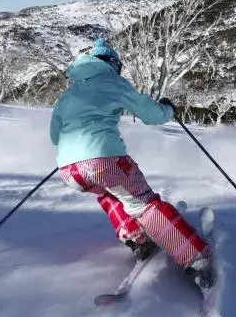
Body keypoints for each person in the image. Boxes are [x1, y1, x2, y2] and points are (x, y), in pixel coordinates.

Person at [49, 38, 214, 291]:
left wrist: (76, 152)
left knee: (108, 193)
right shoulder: (113, 82)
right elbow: (150, 114)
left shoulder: (69, 94)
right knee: (144, 204)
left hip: (70, 170)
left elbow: (54, 136)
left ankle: (139, 239)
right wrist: (167, 109)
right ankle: (195, 259)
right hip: (105, 161)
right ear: (112, 64)